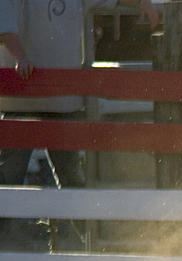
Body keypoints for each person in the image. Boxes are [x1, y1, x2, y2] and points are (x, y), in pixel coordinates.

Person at [0, 0, 159, 188]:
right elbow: (5, 26)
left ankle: (67, 218)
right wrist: (21, 57)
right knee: (9, 175)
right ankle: (8, 218)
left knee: (70, 174)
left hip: (63, 99)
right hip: (23, 98)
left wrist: (141, 2)